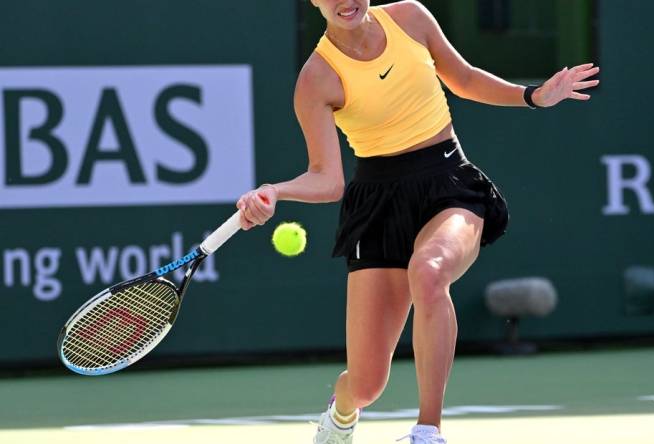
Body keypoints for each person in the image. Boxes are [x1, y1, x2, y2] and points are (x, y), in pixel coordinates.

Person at [235, 1, 599, 442]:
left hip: (448, 182)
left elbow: (463, 79)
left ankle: (428, 432)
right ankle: (342, 412)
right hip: (377, 205)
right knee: (367, 384)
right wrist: (276, 190)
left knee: (428, 272)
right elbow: (327, 180)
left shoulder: (410, 17)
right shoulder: (316, 79)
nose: (346, 1)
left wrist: (533, 96)